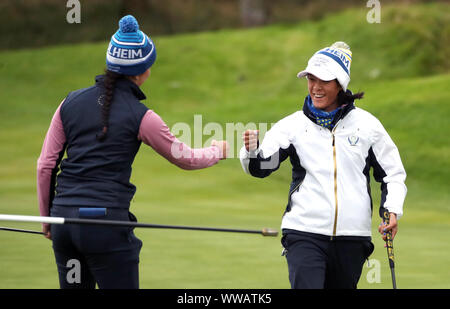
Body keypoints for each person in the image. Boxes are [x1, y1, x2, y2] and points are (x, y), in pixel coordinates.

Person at [37, 15, 228, 289]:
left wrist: (47, 218)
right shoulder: (143, 117)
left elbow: (45, 165)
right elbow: (184, 158)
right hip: (105, 227)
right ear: (143, 70)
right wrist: (216, 151)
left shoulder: (69, 102)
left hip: (64, 222)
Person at [240, 42, 407, 289]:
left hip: (352, 238)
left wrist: (391, 210)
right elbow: (261, 167)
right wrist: (252, 150)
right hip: (304, 232)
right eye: (311, 79)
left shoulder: (367, 126)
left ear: (340, 84)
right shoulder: (293, 126)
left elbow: (392, 173)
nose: (315, 87)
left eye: (324, 81)